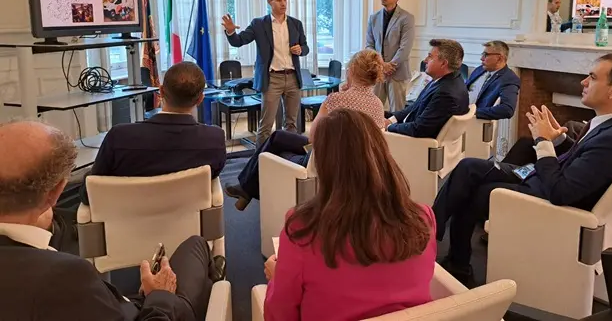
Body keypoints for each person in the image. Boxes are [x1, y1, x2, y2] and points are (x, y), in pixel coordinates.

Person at [433, 53, 612, 284]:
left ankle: (445, 254)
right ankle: (433, 233)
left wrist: (543, 142)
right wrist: (558, 140)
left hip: (553, 204)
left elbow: (560, 192)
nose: (583, 82)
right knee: (469, 166)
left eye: (592, 77)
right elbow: (587, 160)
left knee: (478, 192)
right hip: (544, 178)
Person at [0, 121, 225, 321]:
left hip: (119, 279)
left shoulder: (119, 137)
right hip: (154, 310)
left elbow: (88, 193)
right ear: (56, 191)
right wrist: (160, 296)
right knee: (198, 244)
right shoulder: (65, 277)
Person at [263, 109, 437, 321]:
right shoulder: (423, 218)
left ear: (323, 164)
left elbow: (279, 315)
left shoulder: (303, 230)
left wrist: (277, 278)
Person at [224, 49, 386, 210]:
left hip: (325, 161)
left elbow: (313, 138)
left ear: (352, 71)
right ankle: (245, 191)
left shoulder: (336, 100)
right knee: (278, 137)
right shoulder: (378, 105)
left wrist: (343, 93)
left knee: (275, 148)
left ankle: (247, 190)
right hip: (358, 164)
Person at [79, 61, 226, 206]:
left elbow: (90, 193)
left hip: (126, 218)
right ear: (200, 99)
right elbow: (211, 178)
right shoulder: (214, 139)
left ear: (161, 91)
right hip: (189, 219)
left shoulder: (119, 137)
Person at [222, 0, 309, 145]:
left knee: (291, 124)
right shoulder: (259, 24)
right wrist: (231, 32)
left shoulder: (296, 24)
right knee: (266, 125)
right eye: (279, 0)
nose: (283, 3)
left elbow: (305, 47)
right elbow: (239, 41)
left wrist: (301, 49)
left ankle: (287, 156)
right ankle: (260, 158)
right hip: (271, 80)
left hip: (292, 78)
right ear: (270, 1)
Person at [385, 39, 469, 138]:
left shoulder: (445, 93)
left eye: (430, 56)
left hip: (415, 142)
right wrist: (390, 119)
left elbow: (419, 129)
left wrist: (388, 127)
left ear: (443, 63)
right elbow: (415, 107)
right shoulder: (445, 80)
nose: (425, 60)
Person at [365, 0, 416, 111]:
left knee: (397, 111)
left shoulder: (407, 18)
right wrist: (382, 64)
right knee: (373, 110)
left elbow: (405, 48)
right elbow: (369, 45)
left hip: (397, 72)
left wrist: (390, 66)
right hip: (378, 71)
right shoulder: (373, 18)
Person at [466, 40, 520, 120]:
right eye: (482, 54)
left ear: (499, 58)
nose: (481, 58)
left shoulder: (509, 79)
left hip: (474, 120)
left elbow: (507, 110)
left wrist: (472, 112)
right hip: (459, 110)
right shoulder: (480, 69)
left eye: (486, 55)